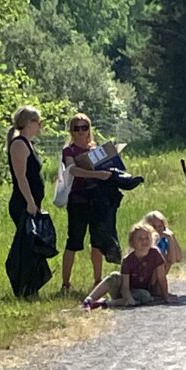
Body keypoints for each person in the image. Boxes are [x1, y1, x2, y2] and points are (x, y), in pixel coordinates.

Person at [60, 113, 113, 293]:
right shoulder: (69, 151)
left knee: (97, 241)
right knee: (74, 241)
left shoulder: (96, 149)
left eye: (84, 127)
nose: (81, 132)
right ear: (72, 131)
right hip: (77, 200)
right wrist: (95, 174)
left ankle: (97, 280)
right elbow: (72, 169)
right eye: (77, 128)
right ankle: (65, 283)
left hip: (97, 198)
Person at [6, 105, 51, 298]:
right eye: (38, 122)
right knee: (28, 247)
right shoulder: (18, 144)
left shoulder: (29, 144)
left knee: (34, 246)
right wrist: (30, 202)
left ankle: (31, 287)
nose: (40, 126)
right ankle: (25, 289)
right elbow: (21, 177)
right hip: (23, 203)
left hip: (33, 203)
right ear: (29, 123)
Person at [82, 223, 177, 309]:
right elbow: (125, 287)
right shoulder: (128, 260)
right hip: (124, 290)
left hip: (141, 292)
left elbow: (161, 277)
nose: (144, 241)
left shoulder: (155, 253)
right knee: (114, 276)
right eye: (140, 239)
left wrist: (166, 296)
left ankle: (106, 303)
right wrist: (128, 298)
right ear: (133, 242)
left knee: (145, 295)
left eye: (147, 238)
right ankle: (89, 300)